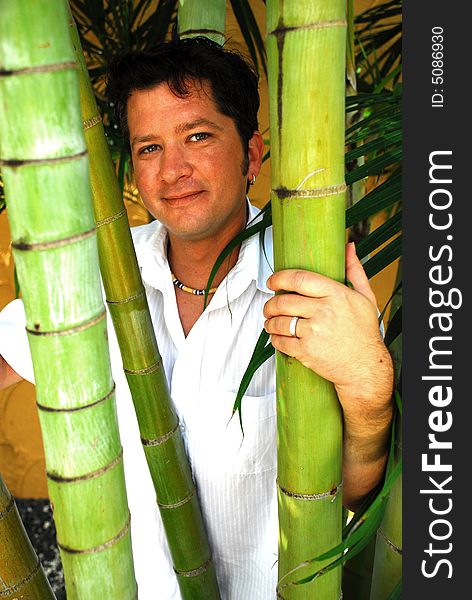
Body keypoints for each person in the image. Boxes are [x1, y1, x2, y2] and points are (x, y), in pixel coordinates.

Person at [0, 37, 393, 599]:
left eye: (198, 136)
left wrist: (369, 385)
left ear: (252, 156)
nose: (173, 170)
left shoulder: (311, 283)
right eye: (149, 147)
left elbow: (355, 492)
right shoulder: (101, 269)